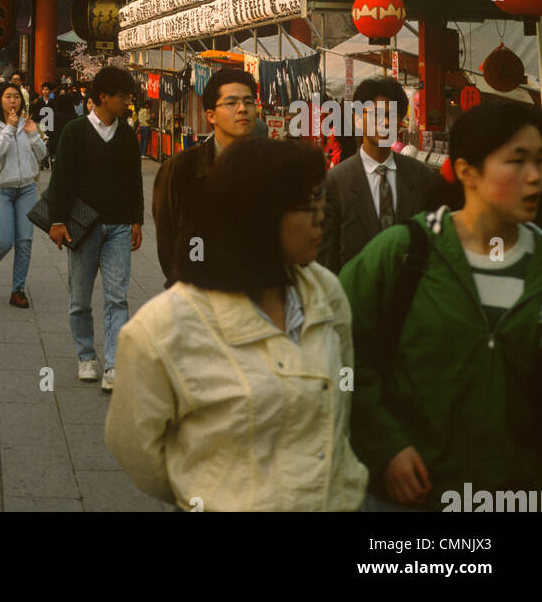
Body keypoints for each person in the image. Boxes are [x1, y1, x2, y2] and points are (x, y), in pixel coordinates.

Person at [104, 137, 367, 511]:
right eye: (309, 202)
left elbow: (341, 406)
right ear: (261, 213)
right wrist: (209, 491)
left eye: (322, 198)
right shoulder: (163, 328)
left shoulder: (325, 292)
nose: (322, 213)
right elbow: (134, 447)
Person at [340, 98, 542, 512]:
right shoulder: (406, 252)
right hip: (413, 496)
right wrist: (385, 445)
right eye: (517, 161)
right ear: (467, 171)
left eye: (540, 160)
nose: (535, 176)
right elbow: (337, 348)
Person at [45, 65, 144, 392]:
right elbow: (61, 180)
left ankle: (114, 364)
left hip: (117, 226)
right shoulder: (74, 131)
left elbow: (134, 181)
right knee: (80, 297)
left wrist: (136, 219)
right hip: (81, 226)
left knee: (118, 297)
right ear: (102, 96)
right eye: (122, 95)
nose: (127, 101)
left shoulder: (127, 133)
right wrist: (57, 220)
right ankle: (86, 356)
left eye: (128, 95)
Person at [151, 67, 258, 288]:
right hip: (198, 295)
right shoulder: (179, 170)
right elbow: (167, 242)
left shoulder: (272, 166)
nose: (242, 109)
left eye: (249, 102)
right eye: (231, 103)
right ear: (211, 115)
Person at [319, 78, 439, 273]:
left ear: (400, 121)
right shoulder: (336, 182)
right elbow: (327, 259)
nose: (384, 123)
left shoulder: (421, 176)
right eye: (376, 114)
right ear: (357, 119)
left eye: (392, 115)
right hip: (356, 297)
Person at [0, 82, 46, 308]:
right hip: (1, 189)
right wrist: (9, 129)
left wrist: (33, 134)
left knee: (25, 241)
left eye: (17, 97)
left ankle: (18, 289)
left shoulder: (27, 124)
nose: (13, 101)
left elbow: (42, 154)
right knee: (4, 240)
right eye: (8, 97)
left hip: (27, 187)